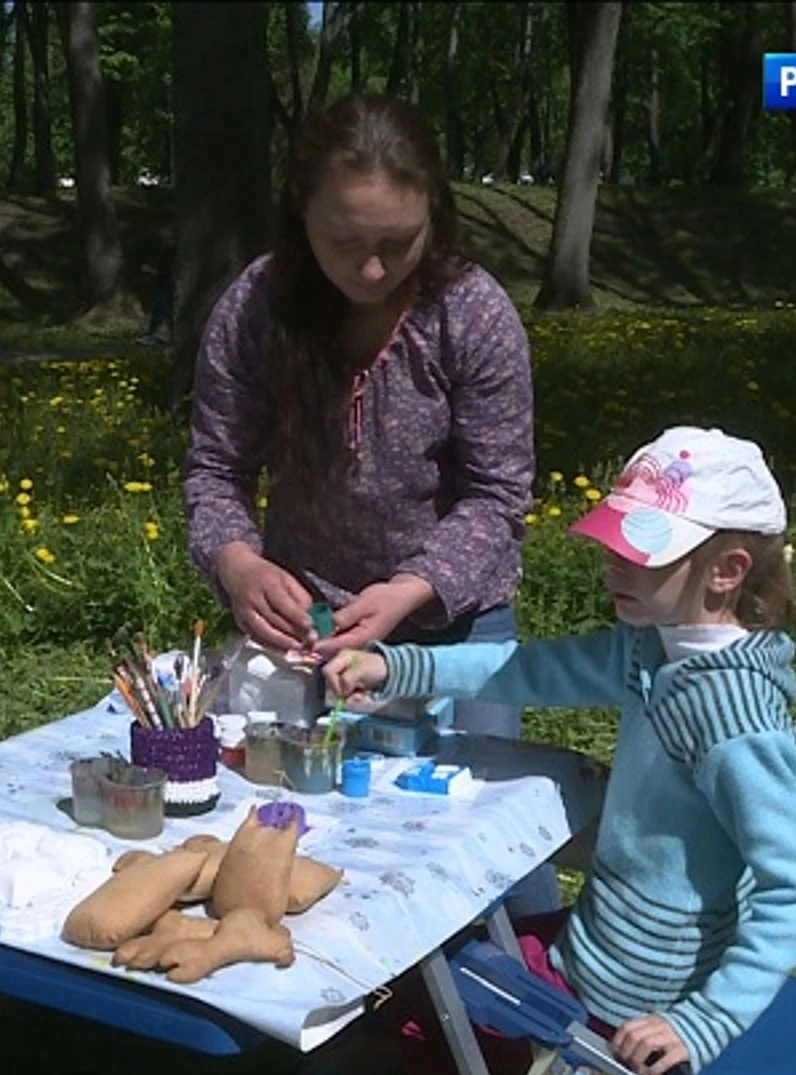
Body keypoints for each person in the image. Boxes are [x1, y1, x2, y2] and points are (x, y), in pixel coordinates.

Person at [324, 427, 796, 1075]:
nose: (613, 566)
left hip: (638, 1003)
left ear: (727, 571)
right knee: (424, 978)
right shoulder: (652, 647)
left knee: (421, 1008)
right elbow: (524, 669)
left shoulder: (735, 719)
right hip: (594, 944)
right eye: (615, 545)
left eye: (642, 552)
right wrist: (397, 669)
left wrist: (702, 1024)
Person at [180, 94, 554, 913]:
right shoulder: (255, 309)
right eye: (345, 242)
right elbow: (214, 473)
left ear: (437, 218)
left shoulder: (471, 313)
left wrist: (411, 589)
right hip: (307, 632)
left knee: (488, 844)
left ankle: (520, 991)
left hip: (455, 629)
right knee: (317, 834)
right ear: (299, 216)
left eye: (399, 244)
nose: (374, 270)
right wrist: (239, 564)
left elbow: (499, 496)